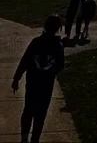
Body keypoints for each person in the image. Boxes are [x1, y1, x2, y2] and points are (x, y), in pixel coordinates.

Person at [12, 15, 64, 143]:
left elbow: (24, 62)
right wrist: (50, 71)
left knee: (28, 110)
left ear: (45, 26)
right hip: (46, 85)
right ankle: (35, 139)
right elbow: (60, 65)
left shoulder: (36, 42)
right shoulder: (58, 46)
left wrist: (16, 79)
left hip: (32, 84)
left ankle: (24, 138)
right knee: (40, 114)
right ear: (58, 28)